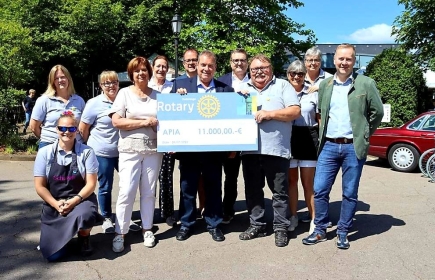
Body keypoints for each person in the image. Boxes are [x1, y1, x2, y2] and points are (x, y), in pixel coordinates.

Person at [302, 44, 383, 249]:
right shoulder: (326, 84)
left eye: (348, 59)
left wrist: (364, 133)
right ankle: (320, 230)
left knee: (349, 192)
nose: (344, 62)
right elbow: (321, 113)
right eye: (340, 59)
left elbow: (378, 112)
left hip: (352, 148)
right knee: (319, 190)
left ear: (354, 61)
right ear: (334, 60)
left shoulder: (366, 83)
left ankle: (343, 232)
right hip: (328, 145)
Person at [238, 54, 301, 247]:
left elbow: (295, 111)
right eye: (255, 69)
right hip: (249, 150)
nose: (259, 72)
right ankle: (257, 224)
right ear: (250, 72)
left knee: (279, 192)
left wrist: (270, 114)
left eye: (263, 68)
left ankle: (280, 228)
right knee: (253, 190)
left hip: (276, 149)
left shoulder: (283, 86)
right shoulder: (242, 90)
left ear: (271, 69)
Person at [171, 50, 234, 242]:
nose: (206, 69)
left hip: (214, 150)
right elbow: (171, 116)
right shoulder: (180, 87)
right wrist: (177, 100)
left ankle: (213, 224)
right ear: (197, 66)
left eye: (211, 66)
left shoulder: (226, 90)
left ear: (216, 68)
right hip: (189, 150)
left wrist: (245, 98)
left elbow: (233, 120)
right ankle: (187, 224)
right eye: (203, 65)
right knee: (187, 188)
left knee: (213, 187)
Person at [109, 57, 163, 253]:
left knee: (149, 191)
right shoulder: (124, 94)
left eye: (144, 70)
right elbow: (117, 122)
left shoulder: (158, 96)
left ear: (149, 72)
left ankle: (147, 229)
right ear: (131, 74)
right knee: (126, 191)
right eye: (137, 70)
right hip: (129, 149)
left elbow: (167, 122)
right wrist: (144, 122)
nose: (141, 73)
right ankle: (120, 232)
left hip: (153, 149)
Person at [34, 111, 99, 261]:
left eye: (71, 129)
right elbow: (40, 186)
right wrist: (56, 204)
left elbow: (91, 183)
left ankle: (84, 237)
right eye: (62, 128)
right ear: (56, 129)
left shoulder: (87, 152)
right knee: (53, 256)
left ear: (76, 130)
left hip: (80, 200)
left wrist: (74, 200)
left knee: (87, 214)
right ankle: (64, 238)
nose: (66, 132)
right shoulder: (44, 153)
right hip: (55, 202)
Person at [217, 48, 250, 224]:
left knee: (254, 178)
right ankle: (227, 210)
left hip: (252, 138)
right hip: (229, 138)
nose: (239, 63)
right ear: (230, 62)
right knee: (230, 178)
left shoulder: (255, 81)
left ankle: (255, 211)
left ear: (247, 62)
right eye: (235, 60)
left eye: (242, 60)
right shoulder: (221, 82)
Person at [286, 60, 318, 234]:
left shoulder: (313, 93)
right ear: (288, 75)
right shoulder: (283, 92)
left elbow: (319, 118)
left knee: (308, 184)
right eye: (293, 73)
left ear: (305, 75)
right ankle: (293, 217)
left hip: (308, 138)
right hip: (289, 138)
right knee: (291, 182)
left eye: (300, 74)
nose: (297, 76)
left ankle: (314, 219)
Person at [148, 55, 176, 226]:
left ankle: (168, 213)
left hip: (168, 137)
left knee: (166, 177)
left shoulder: (173, 87)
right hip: (149, 138)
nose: (161, 69)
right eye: (158, 66)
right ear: (152, 67)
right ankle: (148, 213)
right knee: (148, 179)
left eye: (164, 66)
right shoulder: (146, 86)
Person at [30, 65, 85, 149]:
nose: (60, 80)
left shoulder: (79, 100)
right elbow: (34, 127)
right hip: (50, 146)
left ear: (68, 79)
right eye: (56, 78)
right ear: (52, 82)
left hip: (75, 146)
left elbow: (83, 126)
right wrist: (48, 138)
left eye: (63, 77)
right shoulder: (44, 100)